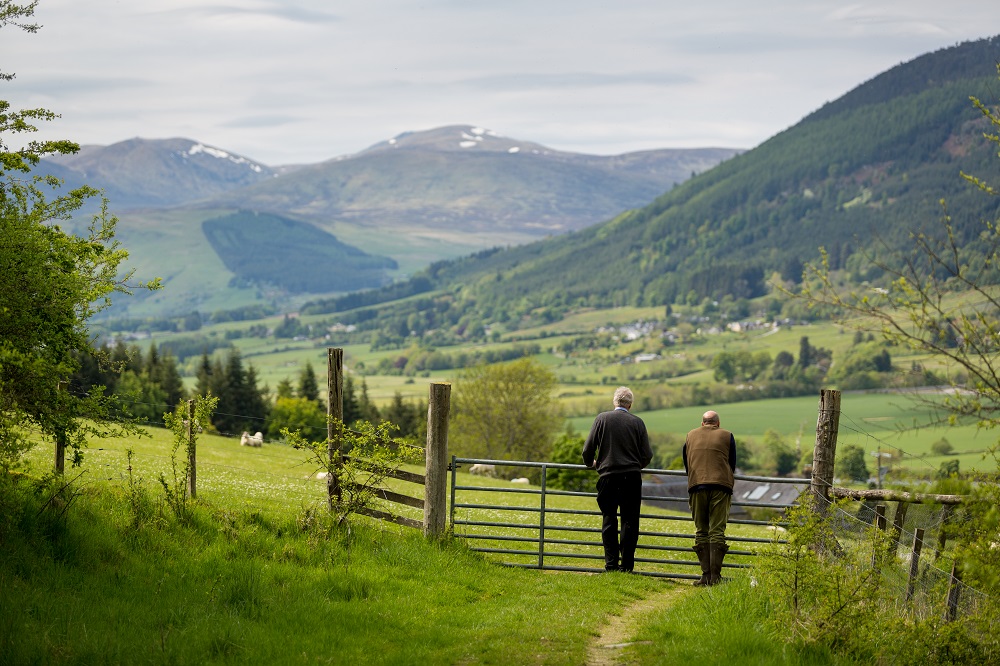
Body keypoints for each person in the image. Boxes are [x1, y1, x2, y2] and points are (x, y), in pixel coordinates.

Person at [582, 387, 653, 572]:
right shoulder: (638, 422)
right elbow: (647, 454)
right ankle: (627, 566)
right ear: (630, 404)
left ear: (615, 402)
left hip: (608, 476)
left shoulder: (602, 419)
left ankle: (611, 564)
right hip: (631, 477)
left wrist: (593, 463)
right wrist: (636, 466)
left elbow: (587, 450)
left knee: (609, 519)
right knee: (630, 521)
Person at [683, 410, 737, 586]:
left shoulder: (690, 435)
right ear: (718, 423)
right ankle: (715, 576)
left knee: (701, 530)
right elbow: (732, 462)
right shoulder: (727, 436)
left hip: (697, 485)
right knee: (717, 530)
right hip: (721, 486)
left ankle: (705, 576)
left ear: (702, 423)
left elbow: (687, 462)